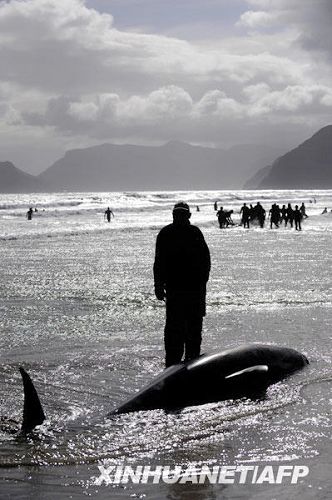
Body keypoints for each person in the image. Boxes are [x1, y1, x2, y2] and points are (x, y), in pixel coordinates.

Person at [154, 202, 211, 367]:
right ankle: (174, 365)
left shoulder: (192, 233)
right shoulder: (167, 233)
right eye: (177, 214)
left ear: (188, 216)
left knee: (190, 329)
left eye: (181, 214)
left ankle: (186, 364)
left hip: (191, 289)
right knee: (176, 330)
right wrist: (158, 285)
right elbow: (159, 262)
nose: (179, 217)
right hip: (178, 290)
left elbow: (205, 262)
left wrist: (201, 283)